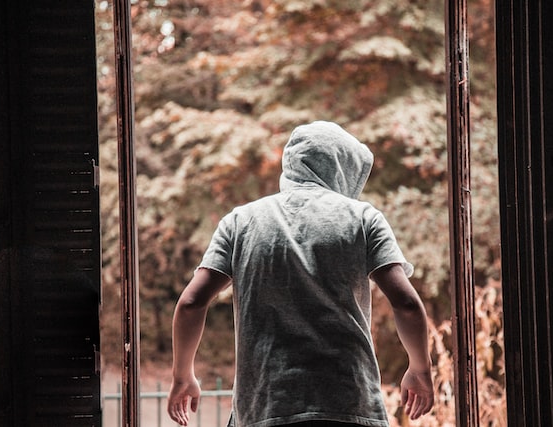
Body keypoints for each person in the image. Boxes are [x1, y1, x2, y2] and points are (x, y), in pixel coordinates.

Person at [167, 121, 434, 427]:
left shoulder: (240, 222)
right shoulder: (363, 219)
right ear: (341, 168)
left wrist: (182, 374)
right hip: (348, 404)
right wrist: (420, 368)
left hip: (266, 405)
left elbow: (191, 302)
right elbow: (406, 303)